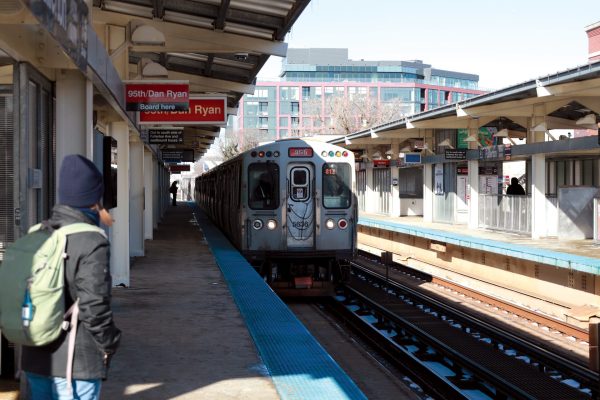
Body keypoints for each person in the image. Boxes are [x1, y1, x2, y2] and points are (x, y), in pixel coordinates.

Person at [22, 154, 121, 400]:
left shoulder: (37, 234)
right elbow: (94, 306)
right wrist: (110, 342)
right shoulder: (92, 241)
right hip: (77, 365)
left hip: (35, 359)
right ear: (93, 198)